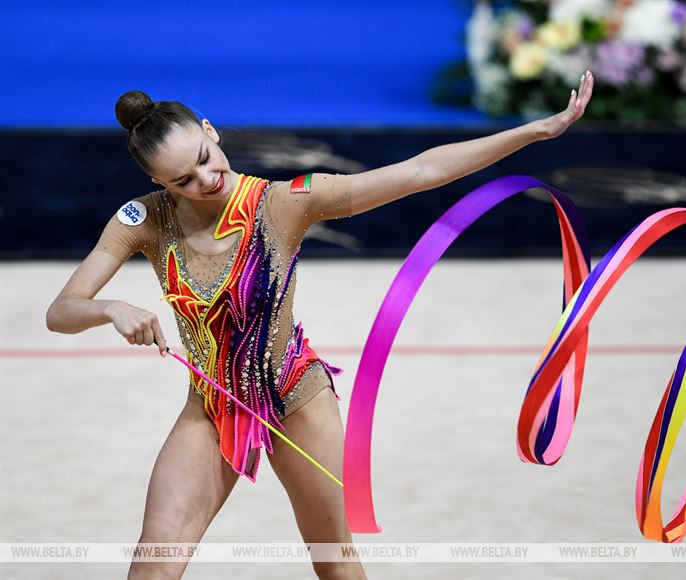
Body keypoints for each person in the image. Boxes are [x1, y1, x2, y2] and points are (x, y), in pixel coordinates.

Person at [44, 71, 594, 580]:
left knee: (334, 562)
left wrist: (538, 130)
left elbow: (419, 171)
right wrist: (110, 309)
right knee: (153, 564)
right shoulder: (142, 219)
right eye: (183, 180)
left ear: (211, 131)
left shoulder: (283, 203)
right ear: (155, 181)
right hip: (212, 408)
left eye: (207, 159)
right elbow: (61, 311)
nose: (207, 180)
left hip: (295, 398)